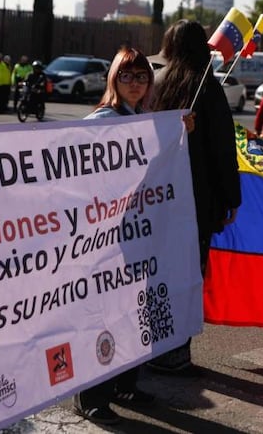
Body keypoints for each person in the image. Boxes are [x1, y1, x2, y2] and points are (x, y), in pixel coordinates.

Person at [147, 19, 241, 373]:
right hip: (196, 199)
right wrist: (231, 197)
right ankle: (173, 353)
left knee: (157, 273)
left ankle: (151, 346)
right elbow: (222, 150)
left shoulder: (154, 82)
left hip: (157, 199)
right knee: (187, 274)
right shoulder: (207, 88)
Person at [72, 48, 157, 425]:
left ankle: (126, 384)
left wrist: (177, 134)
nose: (135, 84)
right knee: (103, 316)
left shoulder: (145, 118)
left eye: (142, 77)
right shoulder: (102, 120)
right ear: (114, 80)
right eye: (128, 76)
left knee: (133, 312)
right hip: (106, 239)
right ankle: (91, 396)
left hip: (136, 233)